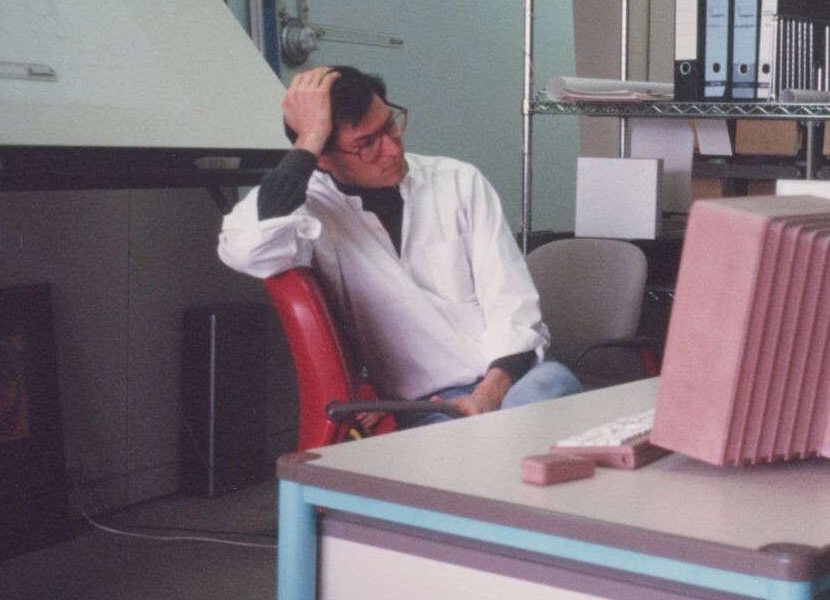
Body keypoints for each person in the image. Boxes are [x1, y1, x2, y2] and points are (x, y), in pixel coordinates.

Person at [218, 65, 580, 423]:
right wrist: (308, 140)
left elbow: (513, 306)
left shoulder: (458, 181)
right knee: (497, 441)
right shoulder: (310, 206)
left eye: (389, 126)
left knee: (550, 387)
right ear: (323, 159)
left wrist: (487, 396)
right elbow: (249, 248)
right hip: (430, 402)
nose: (391, 150)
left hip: (512, 380)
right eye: (366, 145)